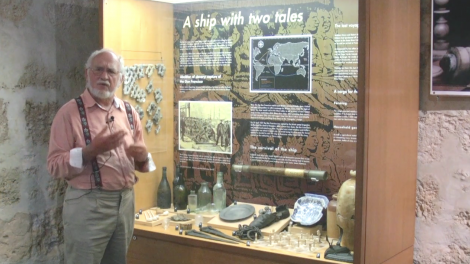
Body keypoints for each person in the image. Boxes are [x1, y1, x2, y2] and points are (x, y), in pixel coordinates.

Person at [47, 48, 154, 264]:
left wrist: (144, 157)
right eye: (98, 70)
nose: (104, 76)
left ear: (121, 78)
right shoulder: (69, 113)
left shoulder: (129, 113)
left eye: (111, 72)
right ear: (87, 73)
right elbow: (54, 165)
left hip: (125, 202)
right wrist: (90, 151)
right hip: (88, 205)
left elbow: (143, 162)